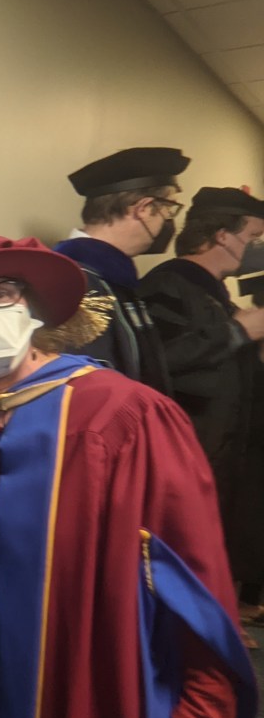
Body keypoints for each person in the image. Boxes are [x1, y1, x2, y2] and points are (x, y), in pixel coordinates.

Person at [0, 235, 257, 718]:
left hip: (87, 656)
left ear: (34, 307)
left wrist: (205, 697)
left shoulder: (124, 413)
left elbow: (189, 559)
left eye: (3, 294)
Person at [138, 187, 264, 647]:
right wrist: (237, 331)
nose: (257, 248)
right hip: (186, 446)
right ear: (221, 234)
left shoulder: (215, 296)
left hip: (222, 449)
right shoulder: (168, 285)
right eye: (254, 235)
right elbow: (161, 360)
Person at [53, 146, 190, 394]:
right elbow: (88, 392)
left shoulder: (115, 277)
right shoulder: (78, 282)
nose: (168, 221)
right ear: (144, 208)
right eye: (169, 209)